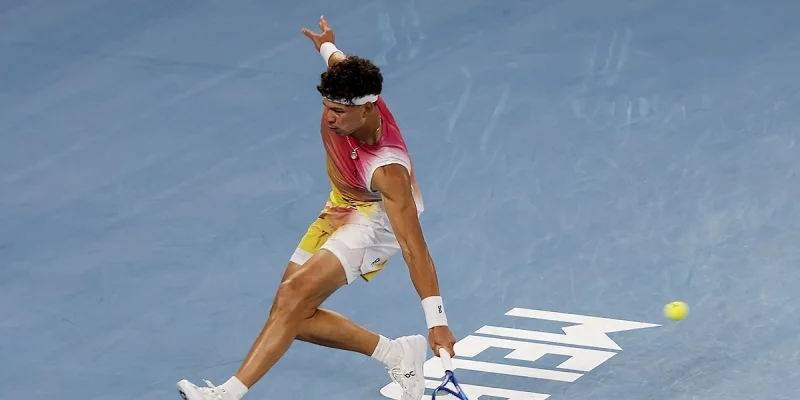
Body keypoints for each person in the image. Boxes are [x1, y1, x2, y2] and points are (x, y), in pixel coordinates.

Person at [176, 16, 457, 400]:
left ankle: (227, 394)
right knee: (291, 312)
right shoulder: (349, 85)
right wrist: (326, 44)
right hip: (340, 206)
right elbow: (338, 60)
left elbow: (414, 247)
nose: (329, 118)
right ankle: (397, 354)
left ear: (368, 108)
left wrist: (437, 320)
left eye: (339, 112)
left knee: (293, 298)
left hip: (377, 221)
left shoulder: (388, 169)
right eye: (326, 107)